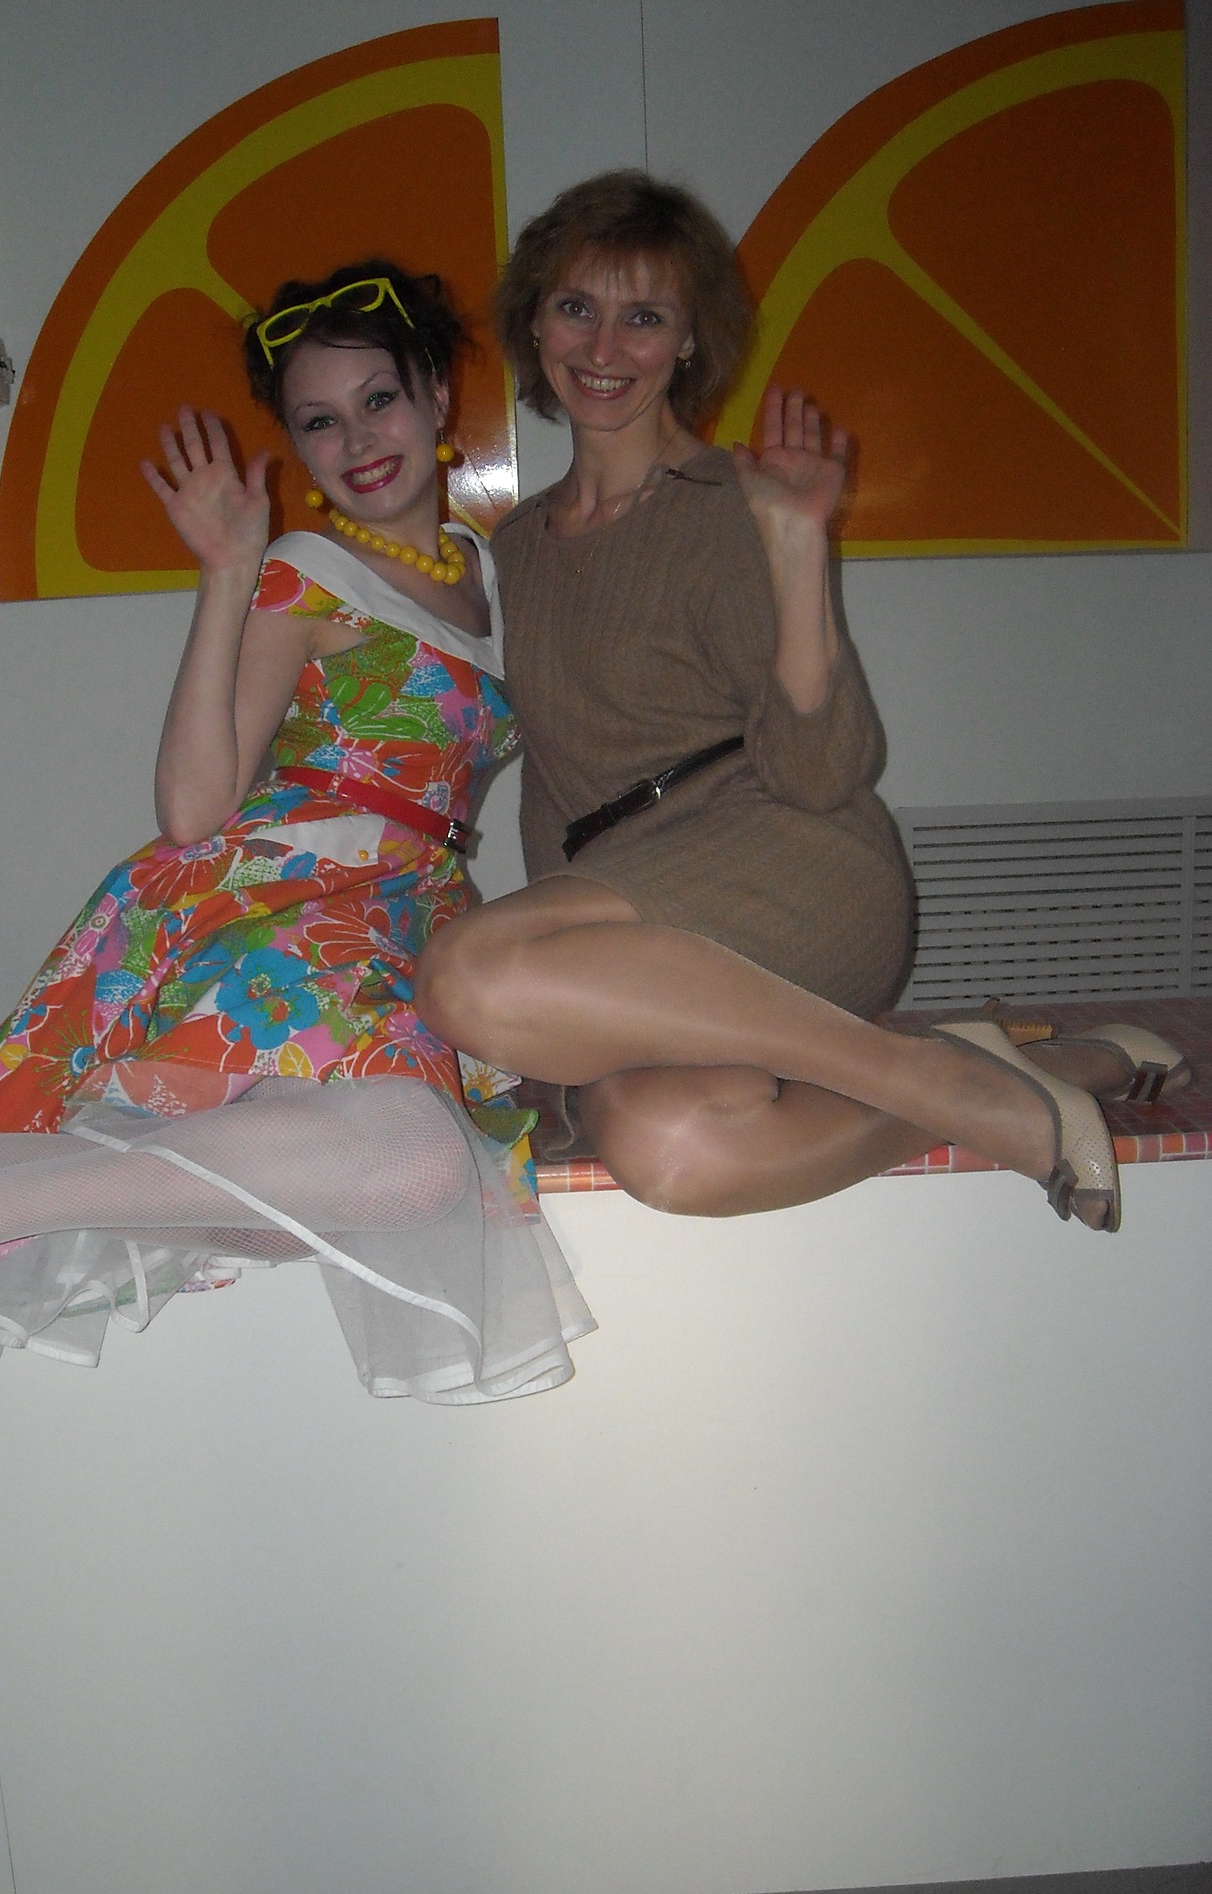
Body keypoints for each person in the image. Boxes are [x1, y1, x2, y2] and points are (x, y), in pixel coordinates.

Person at [0, 261, 590, 1399]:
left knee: (316, 1194)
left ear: (435, 394)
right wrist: (227, 571)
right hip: (294, 901)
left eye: (380, 399)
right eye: (319, 420)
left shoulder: (485, 574)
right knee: (411, 1167)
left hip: (410, 917)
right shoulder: (306, 573)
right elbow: (191, 808)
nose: (357, 439)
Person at [415, 171, 1187, 1227]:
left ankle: (930, 1076)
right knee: (673, 1148)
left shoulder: (737, 502)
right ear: (535, 323)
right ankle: (1004, 1072)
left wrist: (794, 544)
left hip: (791, 865)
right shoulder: (518, 543)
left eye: (645, 317)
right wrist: (574, 1019)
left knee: (465, 977)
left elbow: (822, 774)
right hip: (641, 920)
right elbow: (558, 782)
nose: (604, 347)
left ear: (691, 340)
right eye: (577, 307)